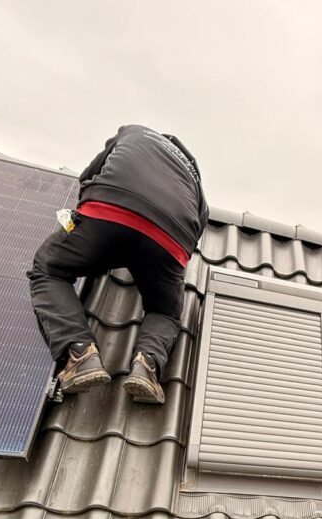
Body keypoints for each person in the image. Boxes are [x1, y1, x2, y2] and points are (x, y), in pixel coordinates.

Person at [28, 124, 208, 404]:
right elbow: (199, 226)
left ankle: (80, 353)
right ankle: (147, 366)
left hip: (111, 209)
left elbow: (88, 175)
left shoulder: (133, 132)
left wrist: (91, 235)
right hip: (171, 239)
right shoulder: (194, 178)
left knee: (48, 269)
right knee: (165, 311)